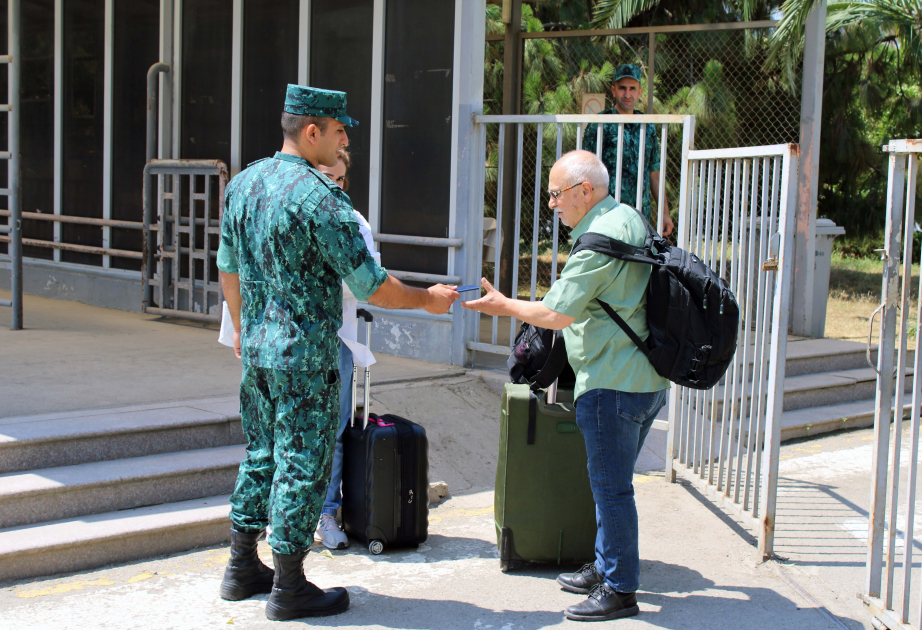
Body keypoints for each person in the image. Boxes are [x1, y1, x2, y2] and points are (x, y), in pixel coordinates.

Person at [216, 85, 458, 621]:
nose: (345, 140)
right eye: (340, 130)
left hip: (258, 352)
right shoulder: (320, 198)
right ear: (312, 132)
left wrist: (242, 328)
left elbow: (227, 266)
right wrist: (428, 300)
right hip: (306, 358)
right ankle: (289, 586)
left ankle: (241, 565)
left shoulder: (243, 184)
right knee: (302, 464)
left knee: (261, 454)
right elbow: (372, 285)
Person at [462, 150, 669, 622]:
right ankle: (605, 565)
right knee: (610, 485)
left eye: (556, 194)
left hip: (611, 383)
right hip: (647, 379)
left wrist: (504, 305)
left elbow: (556, 314)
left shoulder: (597, 243)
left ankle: (620, 589)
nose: (552, 203)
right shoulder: (630, 218)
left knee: (612, 491)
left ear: (584, 191)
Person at [314, 147, 376, 550]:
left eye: (340, 180)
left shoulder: (353, 221)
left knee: (333, 430)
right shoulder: (289, 213)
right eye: (326, 179)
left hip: (336, 336)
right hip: (291, 340)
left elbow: (368, 281)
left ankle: (326, 512)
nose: (334, 188)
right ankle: (284, 515)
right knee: (287, 430)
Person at [582, 64, 673, 237]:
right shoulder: (599, 124)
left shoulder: (647, 125)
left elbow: (654, 173)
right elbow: (586, 172)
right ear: (613, 90)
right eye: (622, 88)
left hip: (640, 215)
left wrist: (664, 213)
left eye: (632, 89)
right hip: (607, 214)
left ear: (640, 92)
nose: (627, 94)